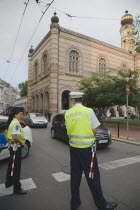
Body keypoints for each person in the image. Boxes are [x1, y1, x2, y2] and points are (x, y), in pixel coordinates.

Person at [65, 92, 118, 210]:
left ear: (73, 100)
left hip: (73, 149)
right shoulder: (88, 111)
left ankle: (74, 203)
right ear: (81, 99)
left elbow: (68, 130)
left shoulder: (68, 113)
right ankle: (102, 205)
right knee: (92, 176)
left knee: (75, 177)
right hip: (87, 150)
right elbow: (95, 130)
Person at [5, 107, 27, 195]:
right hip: (16, 148)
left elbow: (6, 133)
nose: (22, 115)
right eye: (21, 114)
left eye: (23, 114)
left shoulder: (12, 122)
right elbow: (14, 137)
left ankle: (9, 182)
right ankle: (17, 188)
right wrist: (22, 143)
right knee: (16, 169)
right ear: (15, 115)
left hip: (12, 147)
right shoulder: (16, 123)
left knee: (11, 166)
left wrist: (9, 142)